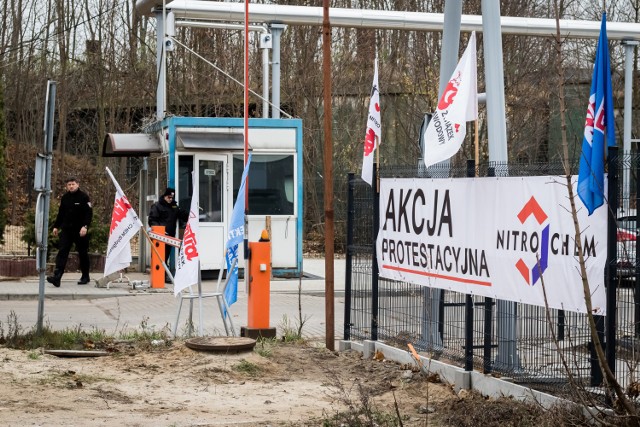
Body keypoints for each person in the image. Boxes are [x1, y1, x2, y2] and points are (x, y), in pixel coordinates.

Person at [47, 177, 93, 287]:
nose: (71, 186)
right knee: (62, 251)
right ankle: (57, 277)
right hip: (67, 230)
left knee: (82, 253)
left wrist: (85, 226)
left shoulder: (84, 197)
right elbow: (61, 213)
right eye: (69, 184)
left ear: (78, 184)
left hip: (80, 230)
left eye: (73, 184)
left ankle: (85, 276)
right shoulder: (65, 198)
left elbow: (89, 213)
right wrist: (56, 226)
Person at [148, 187, 188, 277]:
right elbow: (152, 220)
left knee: (165, 256)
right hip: (159, 237)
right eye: (169, 197)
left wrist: (190, 214)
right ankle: (160, 276)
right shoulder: (157, 206)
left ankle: (163, 275)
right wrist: (159, 230)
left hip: (169, 237)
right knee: (159, 256)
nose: (170, 199)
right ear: (165, 196)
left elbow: (183, 215)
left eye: (172, 198)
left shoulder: (174, 207)